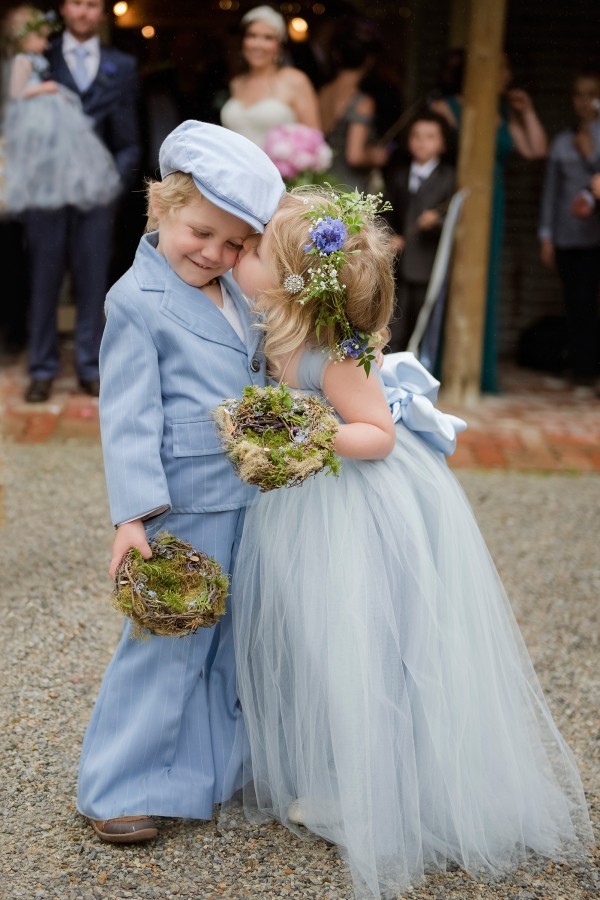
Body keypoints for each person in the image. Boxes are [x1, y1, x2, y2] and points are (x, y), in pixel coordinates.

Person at [222, 186, 593, 898]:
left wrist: (313, 431)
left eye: (255, 250)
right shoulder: (279, 322)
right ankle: (332, 769)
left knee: (357, 644)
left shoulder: (335, 355)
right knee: (311, 641)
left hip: (351, 508)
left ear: (297, 282)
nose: (240, 252)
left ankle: (373, 793)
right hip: (306, 505)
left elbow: (379, 434)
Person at [76, 120, 285, 844]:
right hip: (182, 503)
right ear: (162, 205)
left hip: (249, 499)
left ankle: (208, 771)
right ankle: (121, 785)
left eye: (233, 244)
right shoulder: (135, 301)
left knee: (233, 639)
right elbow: (127, 415)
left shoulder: (234, 290)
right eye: (201, 232)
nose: (214, 253)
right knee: (168, 639)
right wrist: (131, 516)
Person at [21, 0, 141, 404]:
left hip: (97, 197)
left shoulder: (121, 66)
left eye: (92, 5)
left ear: (102, 12)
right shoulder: (40, 57)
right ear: (64, 8)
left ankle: (90, 366)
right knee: (44, 281)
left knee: (94, 283)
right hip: (46, 194)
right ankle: (41, 368)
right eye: (77, 3)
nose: (84, 12)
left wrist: (112, 187)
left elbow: (128, 140)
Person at [431, 51, 547, 392]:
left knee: (486, 277)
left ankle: (479, 370)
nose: (508, 74)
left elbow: (535, 149)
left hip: (493, 200)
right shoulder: (446, 107)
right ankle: (440, 364)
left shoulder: (502, 111)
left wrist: (525, 111)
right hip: (458, 198)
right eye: (503, 67)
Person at [2, 5, 121, 215]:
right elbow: (16, 92)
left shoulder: (35, 59)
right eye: (41, 38)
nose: (46, 44)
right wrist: (46, 88)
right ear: (25, 38)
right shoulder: (23, 61)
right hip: (32, 115)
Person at [538, 71, 600, 392]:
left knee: (587, 301)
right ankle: (578, 366)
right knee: (573, 302)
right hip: (565, 235)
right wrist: (546, 235)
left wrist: (590, 147)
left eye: (591, 94)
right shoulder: (562, 139)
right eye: (578, 94)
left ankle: (589, 369)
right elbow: (550, 191)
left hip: (594, 236)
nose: (584, 101)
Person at [386, 110, 455, 351]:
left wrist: (438, 221)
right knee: (394, 325)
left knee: (423, 326)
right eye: (416, 135)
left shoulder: (450, 178)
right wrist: (391, 236)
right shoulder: (398, 176)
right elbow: (385, 213)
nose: (421, 142)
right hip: (399, 264)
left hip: (428, 265)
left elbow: (457, 218)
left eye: (430, 136)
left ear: (443, 143)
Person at [220, 4, 321, 149]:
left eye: (268, 38)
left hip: (279, 171)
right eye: (252, 35)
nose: (257, 44)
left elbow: (314, 140)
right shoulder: (236, 83)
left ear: (279, 45)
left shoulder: (295, 80)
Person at [318, 26, 389, 193]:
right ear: (369, 60)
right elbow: (355, 156)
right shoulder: (363, 102)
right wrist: (376, 155)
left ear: (337, 55)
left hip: (321, 181)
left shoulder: (323, 92)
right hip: (347, 187)